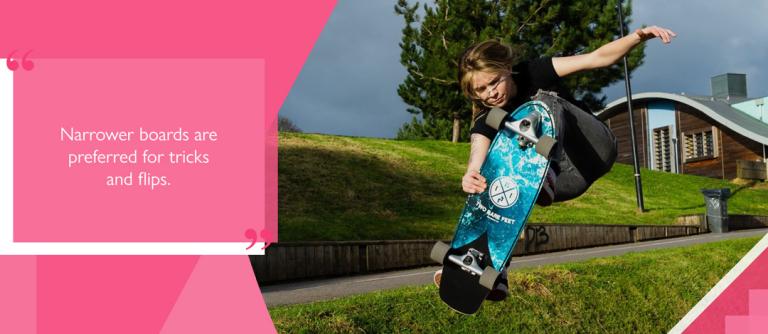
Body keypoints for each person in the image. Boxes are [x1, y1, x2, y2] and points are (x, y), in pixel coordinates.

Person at [434, 26, 677, 301]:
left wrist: (638, 37)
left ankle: (545, 166)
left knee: (543, 102)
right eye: (481, 90)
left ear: (507, 69)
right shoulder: (487, 118)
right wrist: (472, 175)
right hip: (564, 183)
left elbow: (597, 58)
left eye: (494, 82)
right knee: (493, 176)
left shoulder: (534, 72)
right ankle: (491, 269)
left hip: (593, 149)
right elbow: (477, 154)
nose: (491, 93)